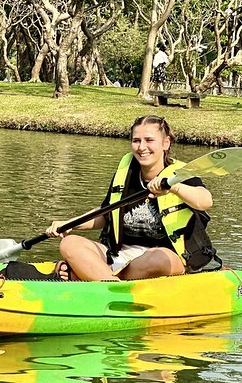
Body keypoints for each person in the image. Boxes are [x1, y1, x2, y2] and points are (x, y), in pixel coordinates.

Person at [46, 115, 219, 281]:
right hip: (120, 254)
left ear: (166, 143)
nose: (142, 147)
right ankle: (110, 283)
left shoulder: (181, 174)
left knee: (159, 259)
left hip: (166, 256)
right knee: (69, 244)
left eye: (149, 140)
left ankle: (95, 276)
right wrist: (68, 224)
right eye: (136, 141)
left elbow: (205, 201)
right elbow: (105, 215)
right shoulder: (125, 173)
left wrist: (173, 187)